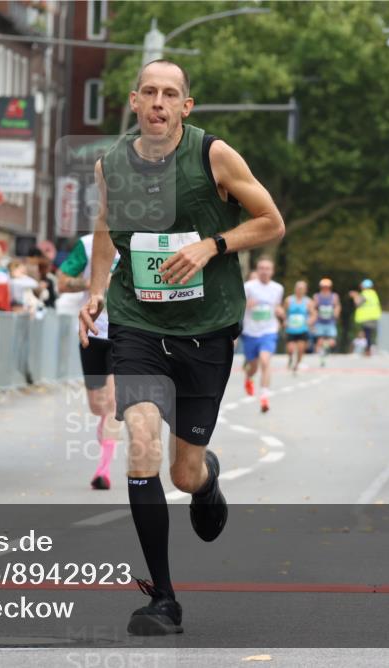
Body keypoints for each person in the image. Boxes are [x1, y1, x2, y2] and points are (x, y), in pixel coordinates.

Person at [78, 59, 285, 635]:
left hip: (207, 329)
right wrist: (96, 292)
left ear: (186, 107)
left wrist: (211, 245)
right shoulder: (110, 165)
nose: (160, 102)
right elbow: (103, 227)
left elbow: (271, 222)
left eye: (171, 94)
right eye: (150, 92)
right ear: (135, 101)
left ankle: (207, 476)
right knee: (140, 440)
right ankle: (162, 598)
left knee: (183, 473)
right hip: (138, 323)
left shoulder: (214, 156)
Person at [58, 232, 122, 490]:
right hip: (93, 331)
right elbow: (62, 282)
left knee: (113, 403)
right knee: (98, 406)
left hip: (127, 332)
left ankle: (103, 470)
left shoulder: (142, 239)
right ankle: (104, 424)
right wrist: (94, 284)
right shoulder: (87, 244)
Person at [242, 257, 284, 413]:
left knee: (265, 361)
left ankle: (264, 396)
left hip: (269, 331)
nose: (264, 271)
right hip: (250, 332)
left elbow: (277, 307)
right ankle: (248, 378)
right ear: (257, 270)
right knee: (253, 366)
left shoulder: (278, 288)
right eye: (261, 268)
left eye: (268, 268)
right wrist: (246, 305)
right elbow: (237, 307)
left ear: (272, 271)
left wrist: (280, 312)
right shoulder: (248, 287)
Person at [283, 280, 313, 374]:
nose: (300, 290)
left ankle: (297, 364)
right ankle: (290, 358)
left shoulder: (308, 301)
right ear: (295, 289)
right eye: (298, 288)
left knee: (300, 349)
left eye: (302, 288)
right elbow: (284, 312)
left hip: (302, 329)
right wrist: (284, 321)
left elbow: (313, 314)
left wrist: (310, 320)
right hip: (291, 329)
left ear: (305, 290)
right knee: (290, 349)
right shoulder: (289, 300)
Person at [312, 277, 340, 366]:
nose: (325, 288)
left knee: (332, 342)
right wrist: (314, 317)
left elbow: (337, 306)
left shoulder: (334, 296)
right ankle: (322, 357)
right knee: (320, 340)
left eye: (327, 286)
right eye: (323, 286)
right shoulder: (317, 296)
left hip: (330, 322)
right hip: (320, 322)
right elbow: (313, 308)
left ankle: (325, 348)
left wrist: (336, 313)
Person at [350, 278, 381, 356]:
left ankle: (367, 350)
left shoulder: (365, 294)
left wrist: (355, 296)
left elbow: (357, 303)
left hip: (366, 317)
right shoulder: (373, 293)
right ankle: (368, 349)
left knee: (367, 334)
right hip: (374, 316)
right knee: (369, 334)